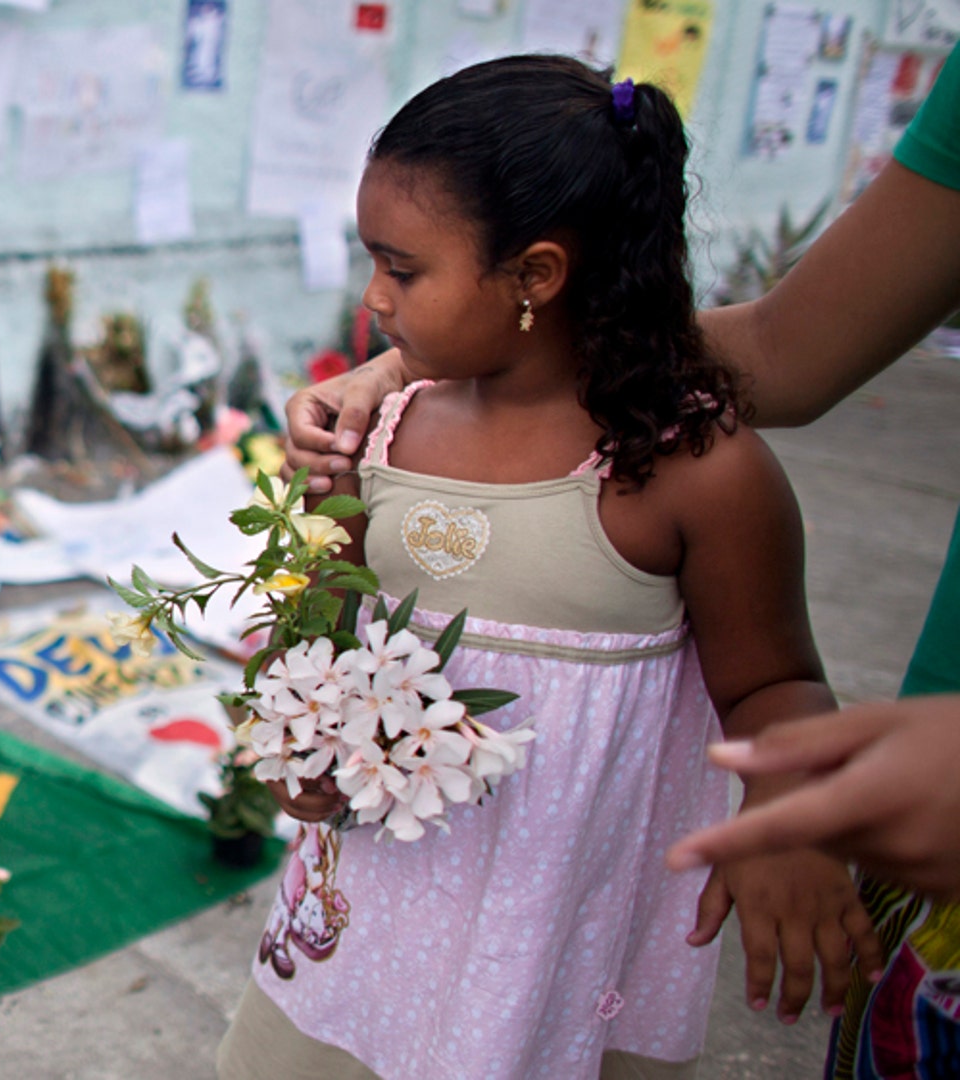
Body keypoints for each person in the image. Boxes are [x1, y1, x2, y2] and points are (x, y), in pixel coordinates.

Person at [287, 42, 960, 1080]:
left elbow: (774, 677)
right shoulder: (380, 434)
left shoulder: (692, 471)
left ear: (537, 276)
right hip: (374, 912)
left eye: (404, 268)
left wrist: (792, 819)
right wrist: (311, 736)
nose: (374, 298)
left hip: (553, 928)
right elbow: (338, 622)